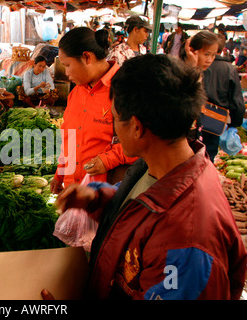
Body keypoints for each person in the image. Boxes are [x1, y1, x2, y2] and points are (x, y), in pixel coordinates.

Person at [50, 54, 247, 300]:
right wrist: (95, 199)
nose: (113, 129)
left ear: (136, 127)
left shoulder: (186, 241)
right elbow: (138, 206)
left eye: (114, 118)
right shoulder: (157, 165)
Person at [50, 27, 137, 195]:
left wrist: (106, 161)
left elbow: (141, 142)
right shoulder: (75, 93)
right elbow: (69, 139)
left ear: (87, 57)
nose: (67, 73)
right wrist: (59, 174)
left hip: (106, 196)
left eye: (68, 65)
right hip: (74, 194)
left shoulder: (123, 89)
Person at [183, 31, 243, 162]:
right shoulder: (183, 73)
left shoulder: (201, 72)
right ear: (192, 51)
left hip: (202, 129)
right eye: (206, 54)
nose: (209, 59)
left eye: (213, 55)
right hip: (186, 134)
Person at [202, 33, 246, 162]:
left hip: (195, 119)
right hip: (215, 120)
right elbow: (236, 101)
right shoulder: (228, 69)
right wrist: (235, 123)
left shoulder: (196, 65)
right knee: (208, 156)